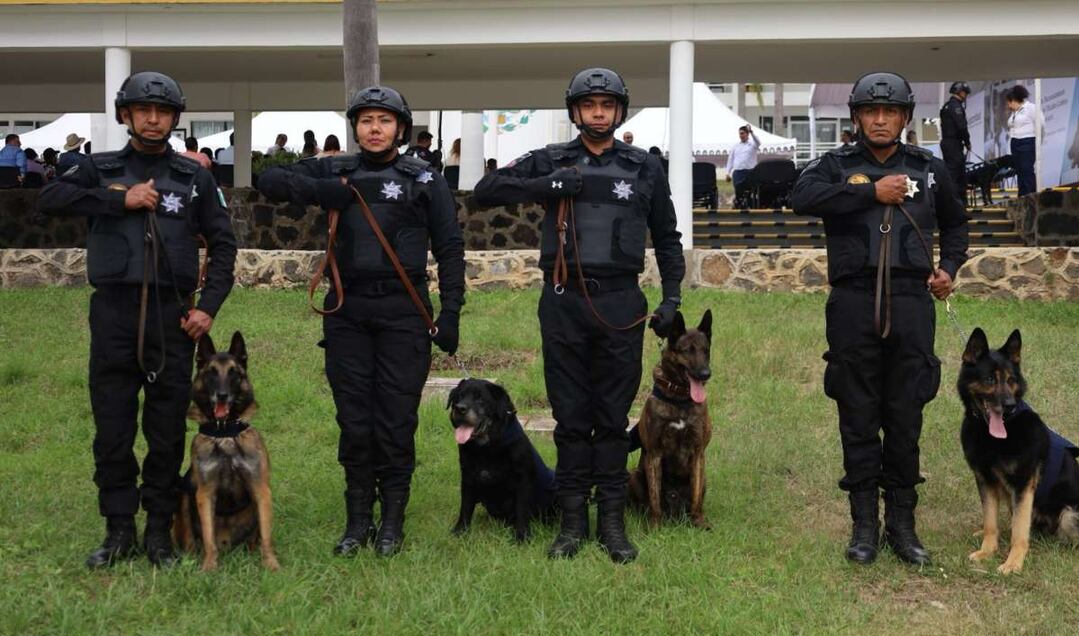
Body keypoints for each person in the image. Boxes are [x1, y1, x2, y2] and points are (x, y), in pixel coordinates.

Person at [475, 67, 685, 564]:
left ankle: (611, 523)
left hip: (620, 304)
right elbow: (486, 191)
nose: (597, 112)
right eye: (588, 104)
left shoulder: (643, 167)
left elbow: (670, 239)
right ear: (574, 111)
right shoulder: (552, 159)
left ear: (619, 111)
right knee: (570, 416)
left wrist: (671, 300)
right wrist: (549, 184)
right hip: (564, 302)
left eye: (606, 105)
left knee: (611, 419)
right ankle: (572, 523)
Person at [36, 71, 238, 569]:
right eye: (142, 110)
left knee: (167, 430)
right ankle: (118, 529)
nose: (153, 119)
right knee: (113, 428)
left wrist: (207, 307)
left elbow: (224, 244)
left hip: (173, 317)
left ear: (174, 117)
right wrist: (116, 199)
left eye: (163, 111)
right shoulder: (97, 167)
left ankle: (158, 534)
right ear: (124, 114)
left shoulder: (195, 177)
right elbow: (48, 201)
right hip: (114, 314)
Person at [257, 86, 464, 558]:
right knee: (354, 420)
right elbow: (268, 181)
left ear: (401, 129)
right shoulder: (334, 168)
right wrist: (317, 190)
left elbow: (450, 248)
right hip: (347, 312)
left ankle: (391, 521)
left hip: (404, 313)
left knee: (395, 420)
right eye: (367, 120)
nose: (375, 128)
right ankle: (356, 521)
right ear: (355, 127)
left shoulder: (424, 178)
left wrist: (451, 311)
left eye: (385, 121)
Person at [791, 71, 969, 568]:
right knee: (858, 412)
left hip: (912, 300)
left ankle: (904, 525)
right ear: (856, 117)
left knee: (906, 412)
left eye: (891, 111)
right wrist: (872, 191)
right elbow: (801, 198)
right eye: (871, 110)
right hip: (853, 302)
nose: (881, 119)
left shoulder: (928, 168)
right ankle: (864, 525)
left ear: (906, 117)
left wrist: (948, 268)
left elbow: (957, 227)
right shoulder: (836, 165)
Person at [939, 81, 971, 205]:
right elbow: (962, 126)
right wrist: (967, 142)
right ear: (960, 92)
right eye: (965, 93)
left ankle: (959, 203)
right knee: (956, 175)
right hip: (953, 143)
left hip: (948, 143)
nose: (966, 96)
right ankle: (955, 204)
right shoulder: (955, 106)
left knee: (957, 174)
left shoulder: (947, 106)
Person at [1006, 84, 1040, 197]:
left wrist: (1038, 143)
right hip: (1015, 143)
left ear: (1014, 100)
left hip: (1027, 142)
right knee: (1019, 172)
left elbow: (1041, 125)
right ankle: (1022, 197)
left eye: (1009, 102)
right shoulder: (1014, 113)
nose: (1008, 105)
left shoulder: (1031, 108)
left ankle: (1030, 197)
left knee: (1027, 171)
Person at [725, 124, 760, 207]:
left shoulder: (752, 145)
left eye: (743, 133)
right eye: (740, 133)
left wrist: (752, 132)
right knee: (738, 191)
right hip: (738, 172)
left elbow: (758, 142)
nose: (741, 135)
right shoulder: (735, 146)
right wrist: (727, 173)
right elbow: (730, 160)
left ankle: (750, 204)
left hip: (750, 172)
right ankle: (738, 204)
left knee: (750, 191)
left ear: (747, 134)